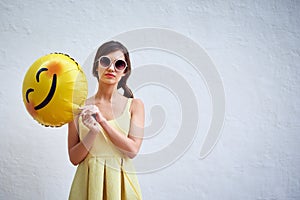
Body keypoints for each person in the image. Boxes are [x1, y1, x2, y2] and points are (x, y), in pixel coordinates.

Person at [68, 41, 144, 200]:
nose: (111, 68)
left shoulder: (135, 105)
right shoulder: (78, 108)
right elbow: (74, 158)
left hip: (121, 186)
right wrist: (93, 133)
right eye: (105, 61)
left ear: (125, 71)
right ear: (96, 67)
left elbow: (132, 150)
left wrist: (102, 122)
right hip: (88, 185)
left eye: (119, 64)